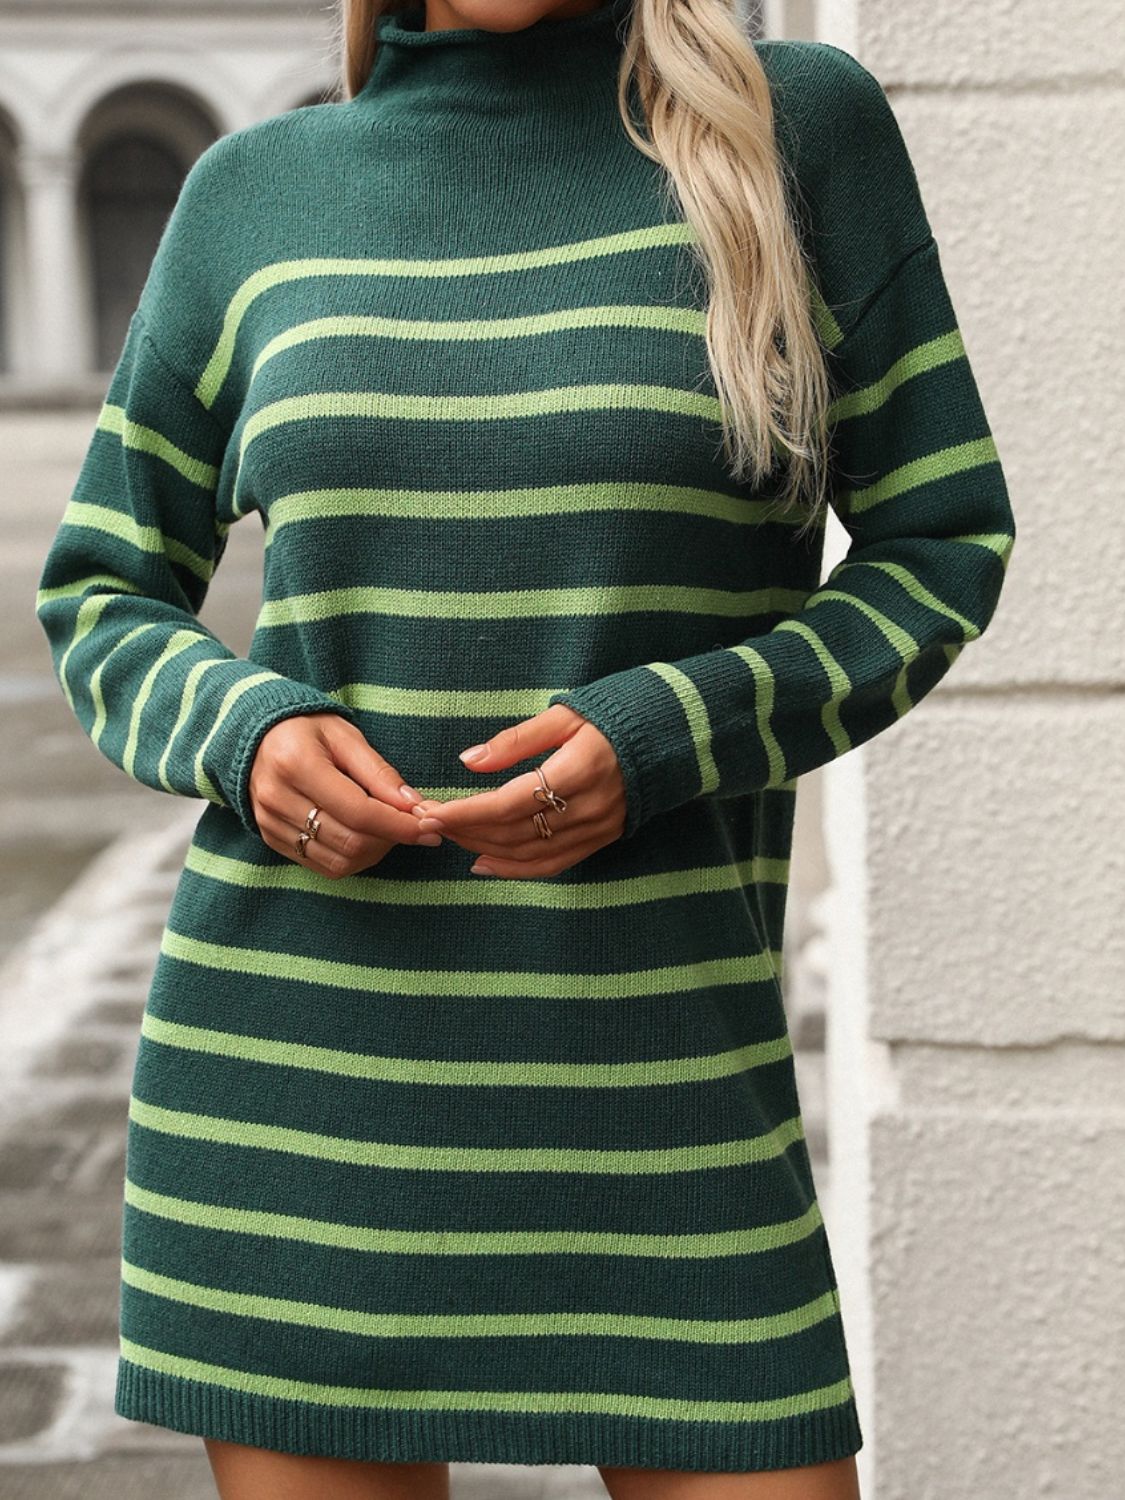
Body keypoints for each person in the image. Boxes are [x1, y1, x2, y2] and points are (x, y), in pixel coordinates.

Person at [34, 1, 1016, 1497]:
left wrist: (673, 728)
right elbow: (103, 590)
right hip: (298, 1116)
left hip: (665, 1105)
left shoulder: (795, 132)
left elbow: (941, 544)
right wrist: (248, 732)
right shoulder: (251, 196)